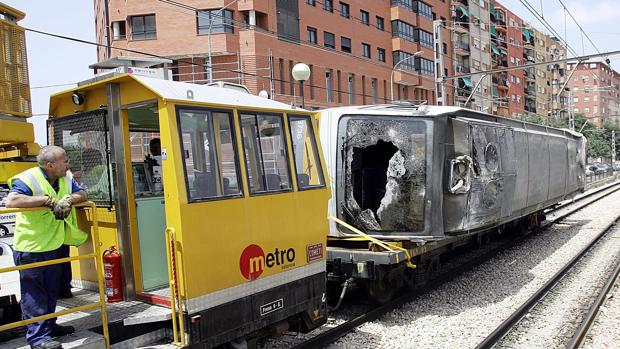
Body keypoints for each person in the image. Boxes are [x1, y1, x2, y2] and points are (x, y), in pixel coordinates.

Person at [5, 145, 88, 349]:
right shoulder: (29, 178)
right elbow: (12, 200)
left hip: (54, 244)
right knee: (35, 294)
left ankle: (49, 326)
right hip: (32, 247)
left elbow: (82, 193)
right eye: (65, 161)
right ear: (50, 165)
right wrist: (48, 201)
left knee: (51, 290)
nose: (68, 164)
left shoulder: (65, 178)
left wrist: (69, 199)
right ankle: (38, 338)